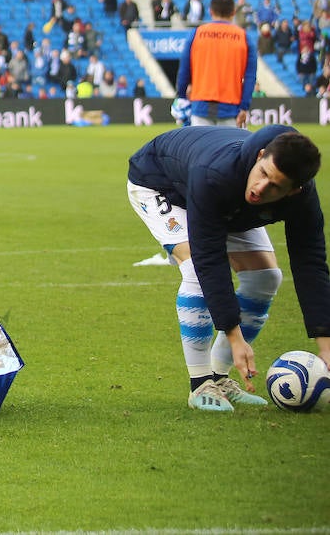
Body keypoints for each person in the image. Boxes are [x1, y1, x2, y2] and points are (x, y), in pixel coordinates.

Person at [127, 126, 329, 411]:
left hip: (227, 201)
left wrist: (326, 343)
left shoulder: (302, 200)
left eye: (275, 186)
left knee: (266, 278)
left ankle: (220, 379)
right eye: (263, 174)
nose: (261, 188)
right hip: (160, 183)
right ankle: (200, 385)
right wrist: (234, 335)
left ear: (293, 191)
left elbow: (310, 260)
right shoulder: (215, 174)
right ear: (260, 156)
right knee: (198, 269)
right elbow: (211, 260)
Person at [175, 0, 256, 128]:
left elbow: (184, 69)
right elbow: (250, 77)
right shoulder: (244, 37)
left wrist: (182, 97)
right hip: (231, 107)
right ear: (233, 12)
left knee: (200, 149)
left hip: (201, 105)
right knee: (228, 149)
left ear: (210, 11)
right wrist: (244, 106)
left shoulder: (196, 34)